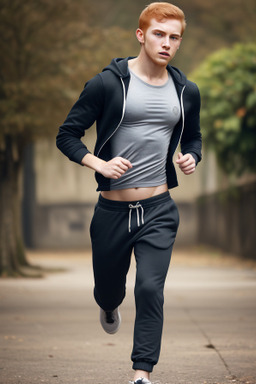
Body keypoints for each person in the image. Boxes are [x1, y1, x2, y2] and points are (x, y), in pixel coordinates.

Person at [56, 2, 202, 383]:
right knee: (108, 290)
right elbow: (67, 135)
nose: (166, 43)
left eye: (174, 37)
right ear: (141, 35)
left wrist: (192, 158)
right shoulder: (107, 84)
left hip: (158, 208)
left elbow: (193, 137)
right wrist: (98, 164)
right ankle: (107, 304)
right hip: (112, 212)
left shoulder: (186, 91)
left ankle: (141, 374)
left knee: (150, 288)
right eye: (159, 34)